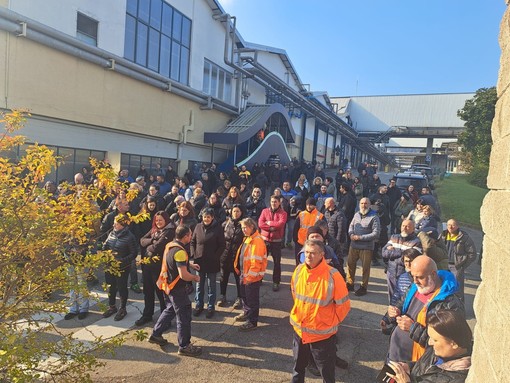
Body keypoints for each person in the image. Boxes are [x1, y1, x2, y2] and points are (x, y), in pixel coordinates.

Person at [290, 239, 351, 383]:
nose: (309, 256)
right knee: (298, 369)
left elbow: (344, 305)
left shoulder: (333, 276)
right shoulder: (299, 270)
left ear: (322, 254)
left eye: (313, 253)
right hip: (300, 332)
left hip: (322, 336)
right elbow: (295, 294)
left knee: (327, 374)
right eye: (306, 252)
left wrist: (329, 322)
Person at [386, 255, 464, 363]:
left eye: (419, 277)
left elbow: (447, 344)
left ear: (433, 274)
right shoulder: (415, 287)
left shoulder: (450, 303)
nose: (415, 281)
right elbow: (401, 303)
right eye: (412, 276)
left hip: (415, 363)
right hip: (395, 353)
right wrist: (393, 313)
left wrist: (412, 328)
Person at [149, 225, 202, 357]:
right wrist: (195, 277)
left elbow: (174, 260)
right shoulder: (180, 252)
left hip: (167, 286)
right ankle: (184, 346)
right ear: (185, 237)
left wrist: (189, 264)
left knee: (170, 309)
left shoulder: (170, 245)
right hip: (177, 289)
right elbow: (183, 275)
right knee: (183, 316)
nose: (191, 237)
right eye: (190, 235)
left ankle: (156, 334)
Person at [387, 309, 472, 383]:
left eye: (435, 340)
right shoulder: (441, 350)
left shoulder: (459, 378)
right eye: (430, 337)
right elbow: (426, 366)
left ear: (454, 344)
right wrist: (409, 367)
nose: (430, 343)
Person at [136, 211, 175, 326]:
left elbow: (157, 247)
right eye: (156, 220)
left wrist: (150, 245)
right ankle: (147, 314)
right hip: (148, 266)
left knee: (161, 295)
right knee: (148, 292)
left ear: (166, 220)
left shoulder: (169, 231)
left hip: (160, 268)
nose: (158, 222)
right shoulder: (154, 230)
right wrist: (152, 241)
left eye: (160, 220)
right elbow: (142, 240)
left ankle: (165, 320)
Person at [233, 218, 268, 331]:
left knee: (252, 299)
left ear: (252, 227)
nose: (243, 230)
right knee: (245, 297)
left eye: (245, 227)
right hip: (245, 274)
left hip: (251, 277)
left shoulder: (257, 241)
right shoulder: (248, 238)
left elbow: (256, 263)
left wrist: (250, 278)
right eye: (242, 227)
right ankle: (247, 313)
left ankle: (252, 321)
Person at [191, 208, 226, 318]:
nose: (206, 219)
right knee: (199, 286)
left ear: (212, 218)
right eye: (204, 217)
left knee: (211, 286)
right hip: (199, 261)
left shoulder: (218, 228)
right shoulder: (198, 227)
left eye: (208, 217)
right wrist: (193, 254)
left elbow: (222, 245)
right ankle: (199, 305)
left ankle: (211, 307)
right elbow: (192, 242)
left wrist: (215, 256)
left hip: (212, 262)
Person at [102, 214, 138, 321]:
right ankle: (112, 306)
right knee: (111, 287)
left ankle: (122, 309)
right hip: (109, 265)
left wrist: (122, 261)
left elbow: (134, 253)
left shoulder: (130, 236)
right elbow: (106, 245)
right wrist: (104, 250)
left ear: (122, 225)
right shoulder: (111, 233)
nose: (114, 225)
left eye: (116, 223)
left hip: (122, 267)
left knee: (122, 288)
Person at [380, 248, 421, 335]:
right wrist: (386, 318)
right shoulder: (402, 277)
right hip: (401, 319)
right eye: (406, 261)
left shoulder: (422, 280)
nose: (408, 264)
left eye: (411, 261)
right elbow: (396, 299)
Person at [346, 197, 381, 296]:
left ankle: (363, 287)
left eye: (366, 203)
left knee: (365, 268)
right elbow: (351, 226)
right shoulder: (356, 214)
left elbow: (376, 234)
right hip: (353, 245)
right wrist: (351, 234)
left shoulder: (374, 217)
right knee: (350, 265)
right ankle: (350, 283)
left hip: (366, 247)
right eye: (361, 203)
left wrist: (360, 237)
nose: (363, 205)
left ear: (369, 205)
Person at [382, 219, 422, 302]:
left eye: (408, 226)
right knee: (392, 297)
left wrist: (393, 253)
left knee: (404, 297)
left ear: (413, 229)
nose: (405, 228)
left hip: (405, 274)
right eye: (403, 226)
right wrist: (402, 253)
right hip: (391, 272)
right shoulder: (394, 237)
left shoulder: (417, 242)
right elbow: (384, 252)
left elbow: (409, 259)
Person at [258, 195, 288, 291]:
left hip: (276, 242)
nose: (273, 203)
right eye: (272, 201)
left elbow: (281, 224)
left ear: (279, 202)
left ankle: (276, 282)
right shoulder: (264, 211)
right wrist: (271, 228)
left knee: (276, 263)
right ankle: (259, 278)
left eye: (275, 202)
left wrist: (269, 223)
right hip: (264, 240)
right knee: (261, 261)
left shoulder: (283, 213)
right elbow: (260, 224)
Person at [217, 205, 244, 309]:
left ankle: (239, 297)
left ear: (241, 212)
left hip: (237, 255)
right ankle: (222, 296)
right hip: (225, 254)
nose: (236, 213)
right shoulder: (226, 224)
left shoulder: (243, 224)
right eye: (234, 211)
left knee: (238, 278)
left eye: (238, 211)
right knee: (223, 277)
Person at [443, 219, 477, 302]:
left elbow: (472, 254)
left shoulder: (464, 237)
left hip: (456, 267)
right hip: (444, 265)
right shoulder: (443, 235)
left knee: (457, 289)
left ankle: (459, 307)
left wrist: (462, 265)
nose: (450, 227)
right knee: (444, 286)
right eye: (448, 225)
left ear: (457, 226)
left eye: (453, 225)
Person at [292, 198, 324, 265]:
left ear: (315, 206)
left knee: (310, 262)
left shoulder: (320, 216)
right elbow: (296, 227)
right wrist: (295, 239)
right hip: (300, 242)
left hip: (312, 243)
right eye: (307, 205)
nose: (309, 206)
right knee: (299, 262)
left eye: (311, 205)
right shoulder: (301, 214)